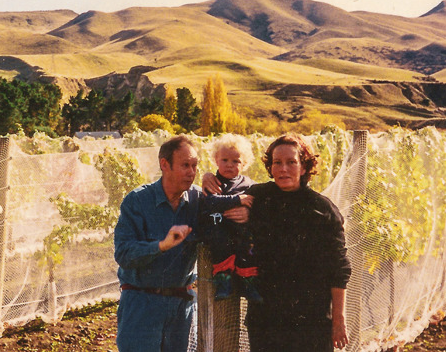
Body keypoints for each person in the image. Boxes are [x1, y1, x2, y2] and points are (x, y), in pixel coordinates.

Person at [203, 133, 351, 352]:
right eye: (277, 163)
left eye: (291, 162)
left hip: (311, 321)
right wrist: (208, 177)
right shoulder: (258, 197)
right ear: (270, 168)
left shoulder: (322, 210)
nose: (283, 169)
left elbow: (339, 269)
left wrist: (338, 319)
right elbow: (220, 194)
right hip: (266, 320)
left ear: (303, 167)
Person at [113, 135, 201, 352]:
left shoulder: (198, 200)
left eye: (195, 166)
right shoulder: (137, 201)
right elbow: (124, 254)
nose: (191, 172)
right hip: (142, 304)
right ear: (164, 164)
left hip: (182, 307)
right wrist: (161, 246)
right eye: (185, 165)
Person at [199, 133, 261, 302]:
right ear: (216, 160)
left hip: (240, 230)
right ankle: (223, 283)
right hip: (217, 228)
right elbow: (211, 202)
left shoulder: (249, 184)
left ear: (245, 163)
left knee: (248, 250)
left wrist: (251, 211)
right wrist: (237, 199)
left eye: (236, 161)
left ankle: (248, 284)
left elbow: (257, 203)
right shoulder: (213, 182)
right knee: (221, 246)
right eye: (224, 160)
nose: (229, 165)